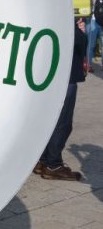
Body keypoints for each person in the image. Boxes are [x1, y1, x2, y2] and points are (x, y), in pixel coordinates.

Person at [33, 16, 86, 180]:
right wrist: (81, 32)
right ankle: (53, 164)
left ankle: (42, 160)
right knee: (62, 123)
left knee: (49, 120)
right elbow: (78, 42)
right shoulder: (64, 13)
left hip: (51, 75)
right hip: (66, 75)